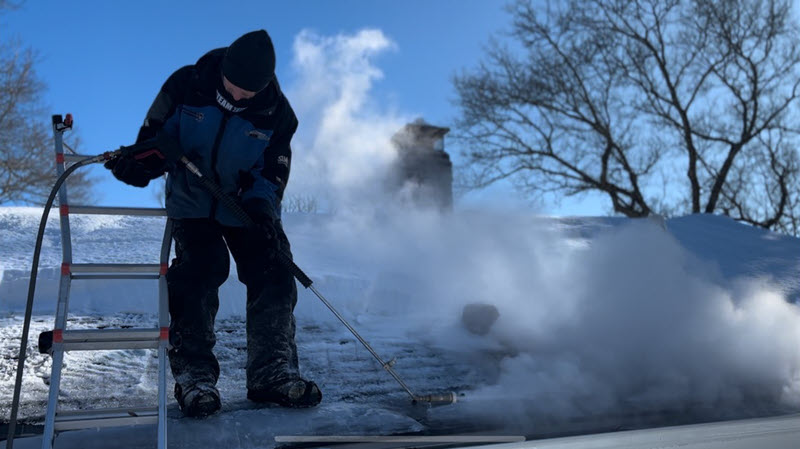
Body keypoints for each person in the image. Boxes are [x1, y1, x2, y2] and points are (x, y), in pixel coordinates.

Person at [105, 30, 322, 417]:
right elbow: (155, 140)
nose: (239, 98)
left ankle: (272, 374)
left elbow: (271, 171)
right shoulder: (186, 85)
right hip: (192, 202)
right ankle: (195, 378)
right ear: (223, 70)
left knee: (274, 268)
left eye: (248, 93)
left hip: (243, 206)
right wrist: (140, 165)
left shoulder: (277, 114)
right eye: (234, 87)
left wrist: (261, 210)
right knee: (201, 270)